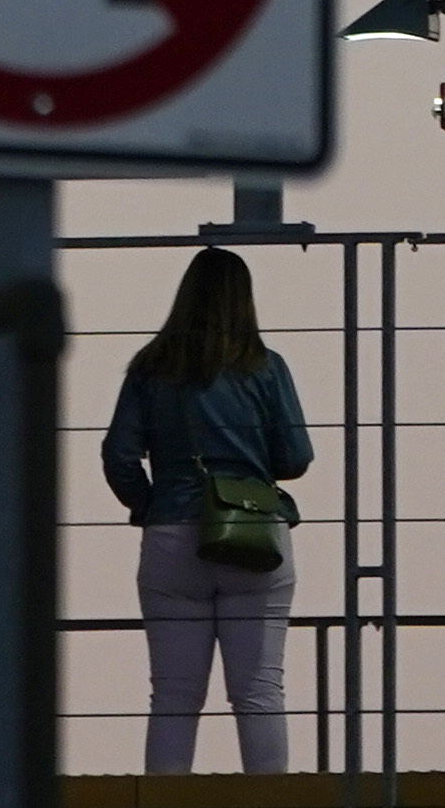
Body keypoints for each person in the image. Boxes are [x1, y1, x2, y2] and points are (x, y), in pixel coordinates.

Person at [101, 247, 313, 773]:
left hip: (172, 532)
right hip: (254, 537)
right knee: (259, 692)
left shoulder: (151, 368)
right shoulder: (265, 368)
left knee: (173, 697)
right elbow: (295, 457)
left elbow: (118, 454)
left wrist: (150, 502)